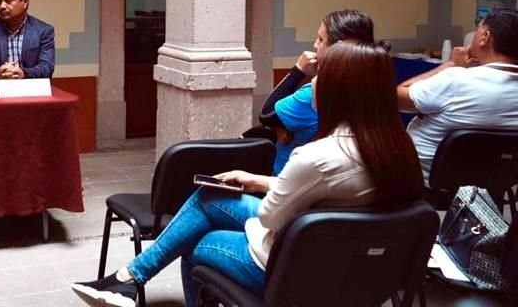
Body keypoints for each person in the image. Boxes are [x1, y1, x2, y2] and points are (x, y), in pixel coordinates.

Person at [72, 42, 423, 307]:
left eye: (319, 77)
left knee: (195, 239)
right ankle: (129, 278)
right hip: (359, 265)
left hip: (293, 264)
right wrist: (258, 181)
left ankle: (131, 279)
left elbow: (271, 217)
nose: (311, 84)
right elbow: (332, 192)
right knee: (211, 195)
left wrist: (248, 221)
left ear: (340, 90)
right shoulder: (397, 148)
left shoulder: (318, 156)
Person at [397, 8, 518, 181]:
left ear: (485, 37)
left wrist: (451, 64)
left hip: (427, 181)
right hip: (495, 183)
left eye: (478, 32)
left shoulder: (456, 79)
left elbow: (397, 98)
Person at [258, 9, 383, 173]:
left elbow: (267, 115)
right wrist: (279, 128)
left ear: (338, 48)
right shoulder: (376, 85)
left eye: (321, 39)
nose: (315, 45)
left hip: (292, 178)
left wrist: (298, 71)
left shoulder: (314, 93)